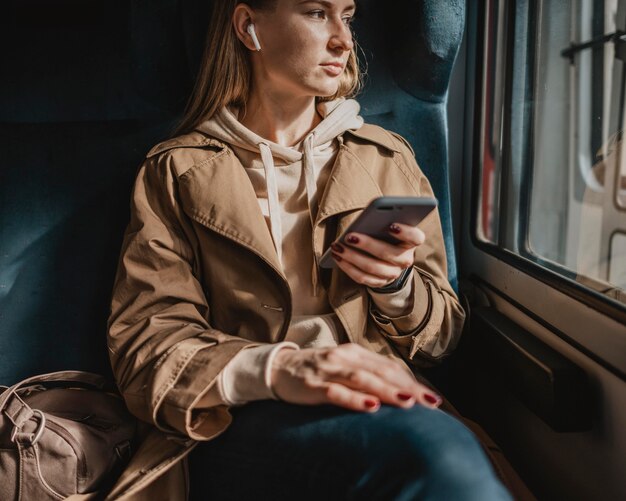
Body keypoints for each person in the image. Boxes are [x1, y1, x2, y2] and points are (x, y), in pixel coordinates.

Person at [107, 0, 512, 499]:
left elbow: (443, 338)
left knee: (436, 456)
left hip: (380, 397)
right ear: (247, 25)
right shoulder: (175, 172)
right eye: (317, 13)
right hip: (236, 418)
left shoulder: (386, 158)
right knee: (430, 456)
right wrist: (282, 369)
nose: (344, 38)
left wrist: (396, 286)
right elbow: (145, 349)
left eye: (349, 15)